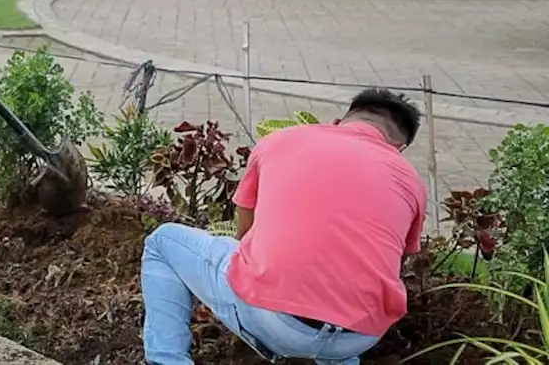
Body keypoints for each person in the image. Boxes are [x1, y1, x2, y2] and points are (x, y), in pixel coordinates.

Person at [141, 87, 427, 365]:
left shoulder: (282, 140)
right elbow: (394, 260)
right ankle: (334, 355)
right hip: (361, 335)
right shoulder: (412, 182)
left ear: (339, 122)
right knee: (346, 301)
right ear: (399, 148)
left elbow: (244, 235)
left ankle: (167, 359)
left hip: (276, 321)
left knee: (163, 242)